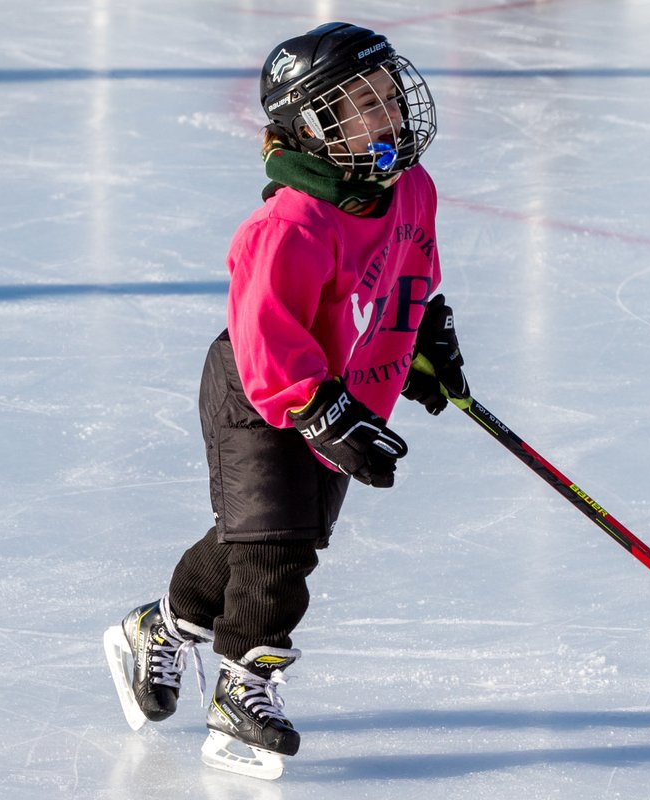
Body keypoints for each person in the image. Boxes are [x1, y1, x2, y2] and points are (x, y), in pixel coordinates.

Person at [103, 21, 469, 781]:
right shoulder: (289, 226)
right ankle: (246, 686)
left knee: (253, 540)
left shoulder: (411, 189)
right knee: (279, 547)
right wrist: (322, 413)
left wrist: (427, 337)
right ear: (311, 126)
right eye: (358, 106)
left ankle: (160, 628)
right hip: (263, 389)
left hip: (343, 390)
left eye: (386, 96)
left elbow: (409, 279)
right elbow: (266, 340)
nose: (387, 115)